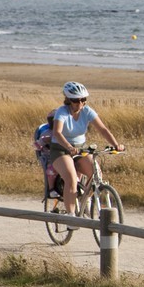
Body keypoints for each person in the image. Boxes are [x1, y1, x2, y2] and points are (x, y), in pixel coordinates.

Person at [46, 81, 124, 218]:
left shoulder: (87, 111)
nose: (80, 103)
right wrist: (69, 147)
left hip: (81, 148)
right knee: (70, 179)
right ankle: (71, 216)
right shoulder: (62, 112)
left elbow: (103, 129)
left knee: (97, 173)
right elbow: (57, 133)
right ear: (69, 100)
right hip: (61, 149)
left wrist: (116, 144)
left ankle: (84, 199)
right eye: (76, 100)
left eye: (83, 100)